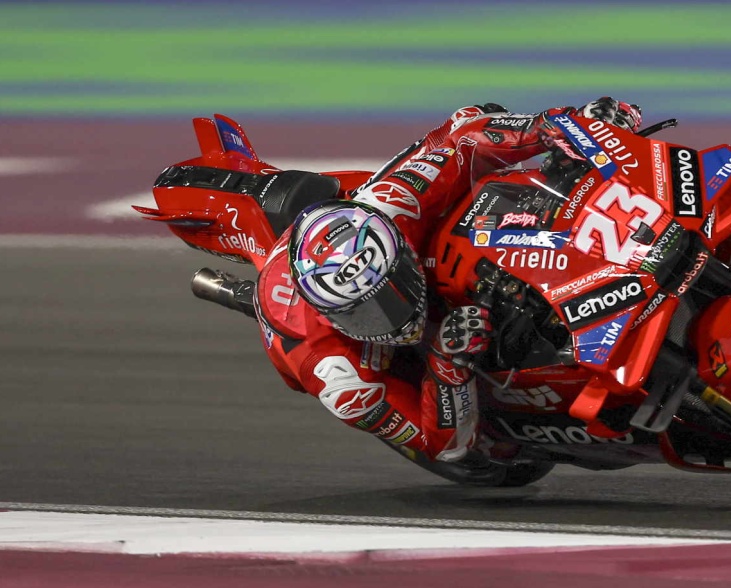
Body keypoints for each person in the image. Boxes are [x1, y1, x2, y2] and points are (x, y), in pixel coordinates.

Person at [251, 98, 643, 477]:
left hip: (403, 224)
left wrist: (561, 127)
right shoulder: (340, 379)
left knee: (480, 116)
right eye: (363, 313)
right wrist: (446, 367)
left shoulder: (396, 203)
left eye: (391, 289)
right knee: (490, 452)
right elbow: (445, 447)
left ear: (398, 250)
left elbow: (464, 137)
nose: (393, 316)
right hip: (375, 361)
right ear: (331, 314)